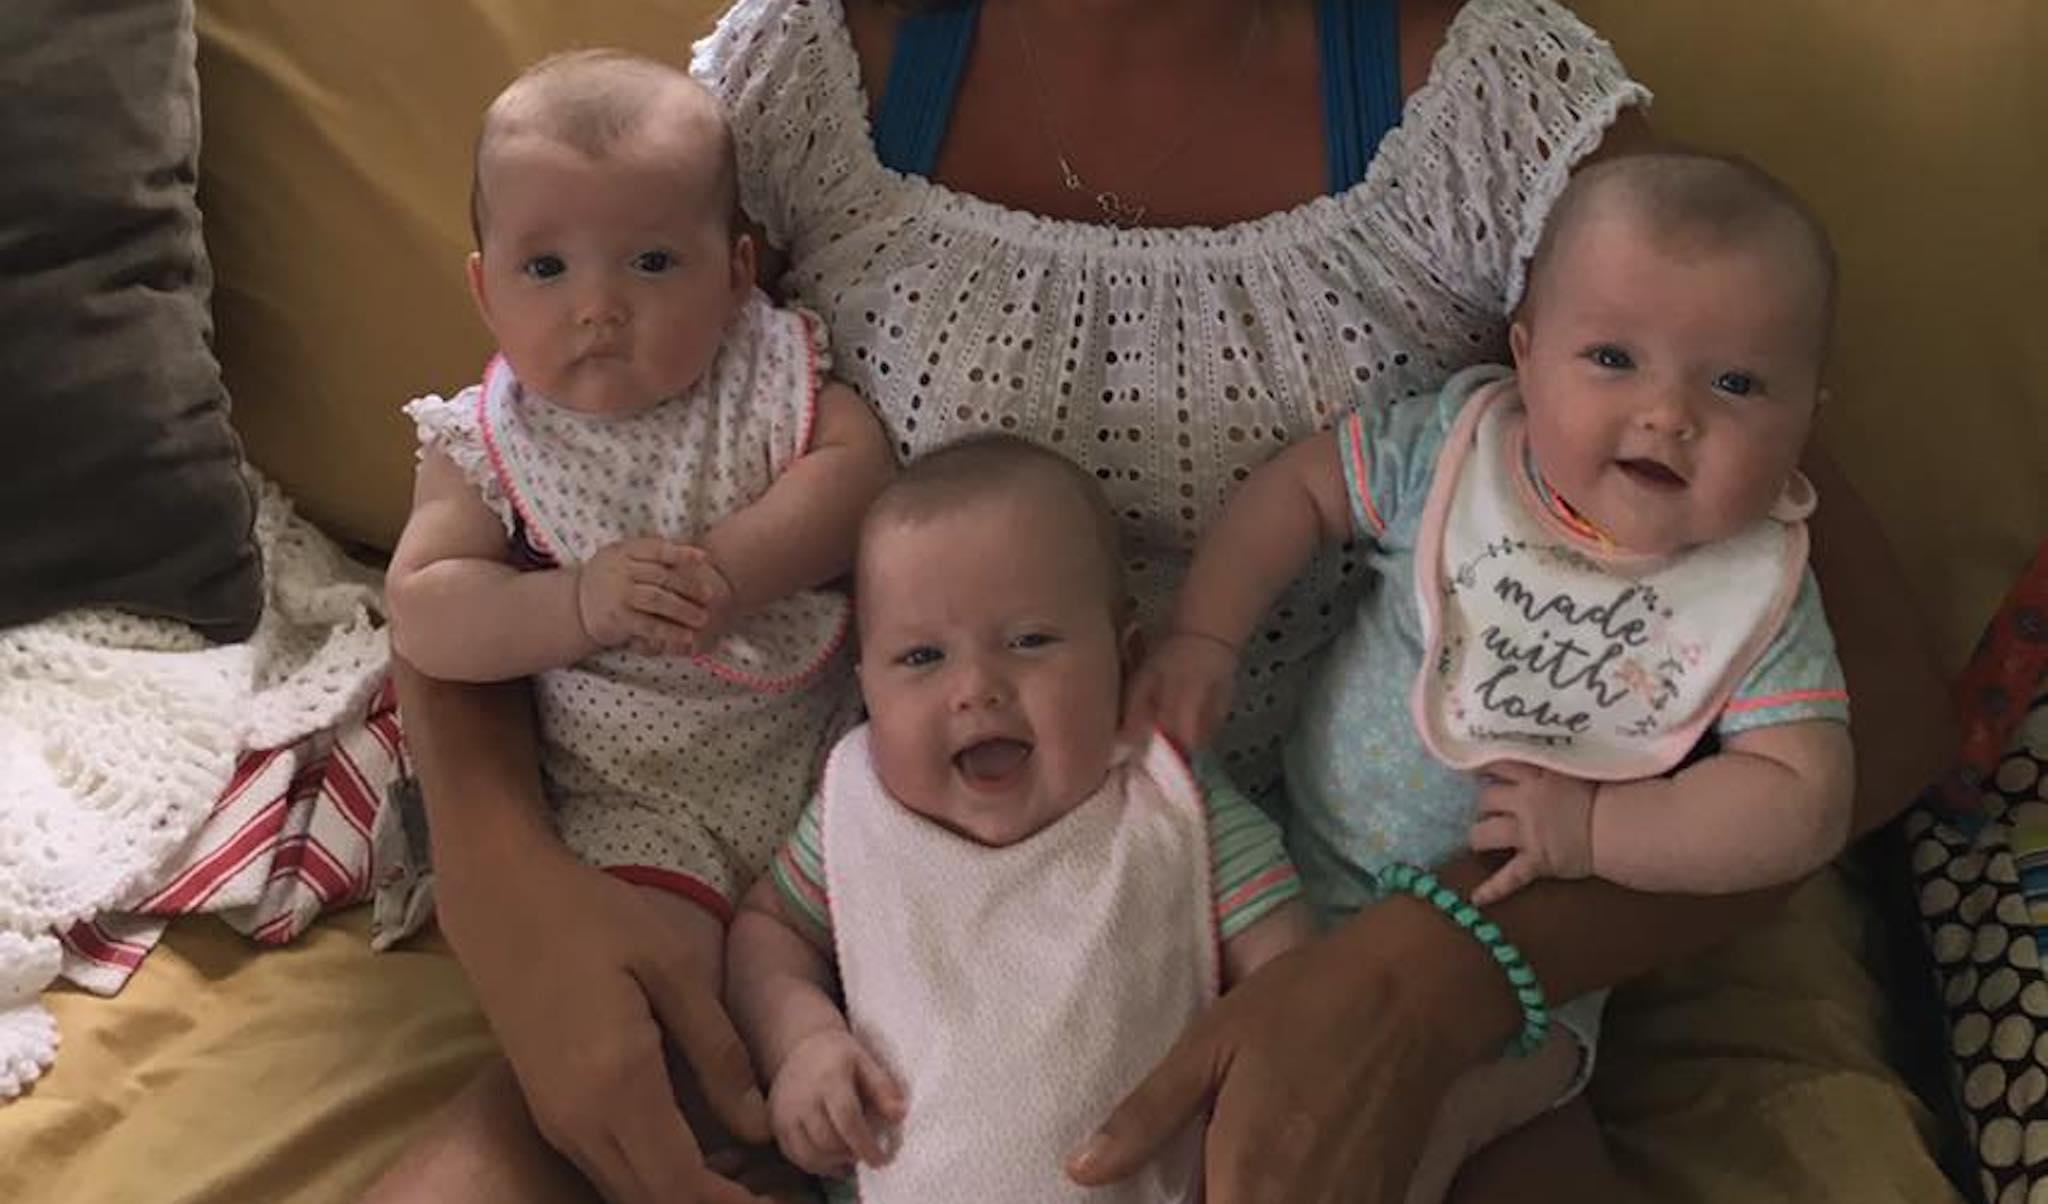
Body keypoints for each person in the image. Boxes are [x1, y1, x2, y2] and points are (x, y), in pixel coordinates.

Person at [379, 4, 1952, 1203]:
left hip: (1359, 917)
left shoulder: (1483, 110)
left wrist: (1450, 970)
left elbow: (1877, 699)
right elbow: (514, 476)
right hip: (877, 912)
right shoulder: (812, 79)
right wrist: (509, 889)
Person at [1127, 151, 1855, 1203]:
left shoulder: (1751, 591)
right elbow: (1298, 491)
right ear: (1524, 356)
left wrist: (1598, 833)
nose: (1666, 414)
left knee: (1399, 1147)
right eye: (1610, 357)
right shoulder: (1455, 454)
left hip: (1515, 988)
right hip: (1285, 865)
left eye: (1734, 384)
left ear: (1804, 417)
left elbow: (1803, 799)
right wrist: (1204, 639)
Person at [376, 49, 893, 1204]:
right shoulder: (485, 441)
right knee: (678, 990)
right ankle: (692, 1165)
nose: (597, 305)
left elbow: (858, 470)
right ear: (484, 291)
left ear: (735, 272)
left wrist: (735, 566)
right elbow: (425, 610)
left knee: (856, 948)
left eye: (653, 261)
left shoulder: (769, 375)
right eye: (545, 267)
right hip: (635, 800)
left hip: (821, 768)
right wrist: (568, 602)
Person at [725, 436, 1313, 1203]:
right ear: (865, 684)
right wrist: (801, 1043)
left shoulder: (1168, 803)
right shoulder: (859, 809)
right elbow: (769, 931)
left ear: (1125, 659)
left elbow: (1294, 977)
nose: (976, 687)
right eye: (921, 659)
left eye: (1030, 641)